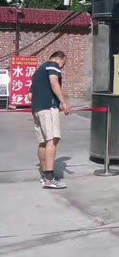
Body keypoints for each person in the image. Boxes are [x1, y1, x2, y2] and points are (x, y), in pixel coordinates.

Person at [29, 51, 72, 189]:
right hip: (48, 108)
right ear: (60, 59)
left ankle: (44, 175)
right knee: (52, 140)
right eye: (63, 63)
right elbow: (54, 82)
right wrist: (64, 102)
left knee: (43, 142)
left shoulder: (38, 72)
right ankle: (50, 178)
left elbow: (30, 96)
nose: (62, 67)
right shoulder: (53, 65)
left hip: (37, 109)